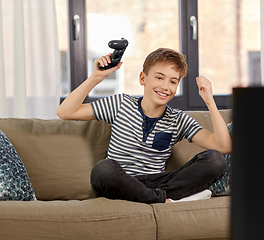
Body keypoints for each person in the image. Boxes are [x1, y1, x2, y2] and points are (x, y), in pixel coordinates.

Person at [57, 48, 231, 204]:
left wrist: (210, 101)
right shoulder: (120, 104)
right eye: (159, 77)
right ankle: (165, 201)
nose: (165, 86)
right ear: (143, 78)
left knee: (215, 160)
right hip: (121, 182)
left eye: (173, 82)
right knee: (103, 169)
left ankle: (157, 198)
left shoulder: (178, 119)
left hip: (160, 182)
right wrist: (96, 77)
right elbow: (65, 112)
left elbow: (222, 147)